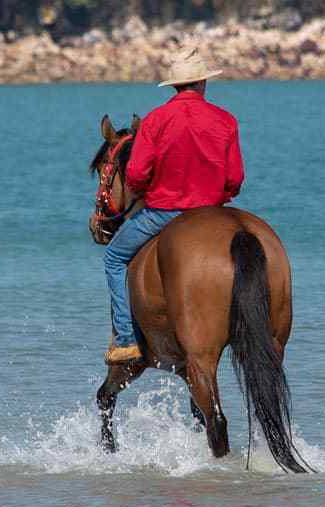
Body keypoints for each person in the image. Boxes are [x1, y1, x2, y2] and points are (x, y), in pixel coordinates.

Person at [104, 47, 244, 365]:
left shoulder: (156, 120)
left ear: (174, 85)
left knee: (113, 258)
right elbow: (235, 179)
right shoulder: (225, 120)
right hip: (212, 211)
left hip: (164, 213)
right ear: (203, 83)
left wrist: (147, 190)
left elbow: (136, 174)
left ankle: (125, 340)